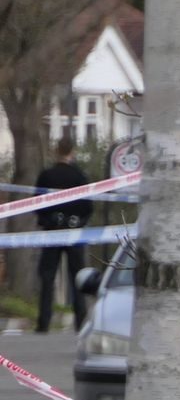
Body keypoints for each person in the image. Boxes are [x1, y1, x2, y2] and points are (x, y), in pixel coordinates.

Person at [33, 137, 93, 334]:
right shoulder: (79, 176)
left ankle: (43, 322)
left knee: (48, 277)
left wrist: (49, 220)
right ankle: (81, 321)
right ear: (72, 152)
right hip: (74, 233)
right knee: (77, 278)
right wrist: (77, 221)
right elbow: (88, 206)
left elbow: (36, 204)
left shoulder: (46, 176)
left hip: (51, 232)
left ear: (55, 151)